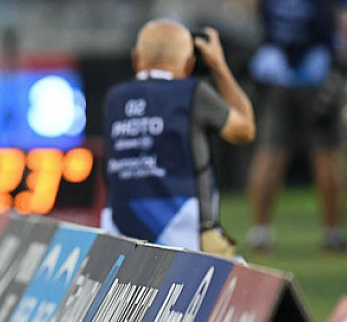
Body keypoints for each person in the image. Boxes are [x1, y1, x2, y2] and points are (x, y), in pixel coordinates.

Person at [246, 0, 347, 253]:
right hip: (317, 76)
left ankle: (260, 232)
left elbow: (256, 8)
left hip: (276, 75)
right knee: (327, 153)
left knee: (270, 151)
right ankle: (332, 232)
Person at [101, 19, 255, 257]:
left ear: (135, 59)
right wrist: (219, 66)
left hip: (119, 230)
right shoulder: (193, 93)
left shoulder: (114, 98)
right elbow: (244, 130)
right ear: (190, 63)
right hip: (184, 232)